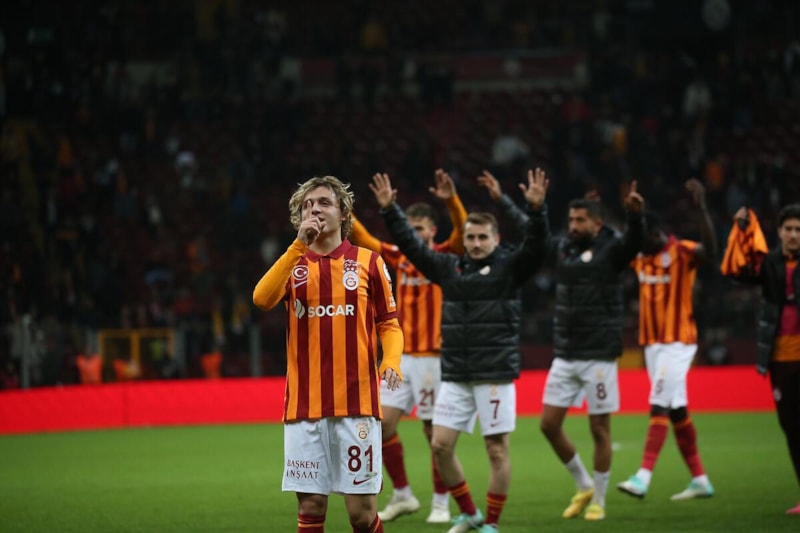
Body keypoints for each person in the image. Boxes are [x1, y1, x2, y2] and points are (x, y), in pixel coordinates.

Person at [372, 169, 550, 533]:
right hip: (455, 374)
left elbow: (537, 246)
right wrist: (391, 211)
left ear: (496, 238)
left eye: (483, 237)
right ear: (463, 240)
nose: (476, 243)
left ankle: (491, 524)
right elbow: (413, 247)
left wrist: (536, 210)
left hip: (494, 374)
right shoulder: (449, 267)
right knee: (440, 446)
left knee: (496, 450)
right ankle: (470, 512)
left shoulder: (510, 267)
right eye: (471, 237)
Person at [252, 175, 404, 533]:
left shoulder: (369, 262)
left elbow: (389, 323)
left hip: (357, 405)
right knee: (310, 506)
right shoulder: (293, 263)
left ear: (343, 212)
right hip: (304, 408)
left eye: (323, 203)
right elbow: (261, 299)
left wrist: (391, 361)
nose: (315, 210)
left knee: (361, 515)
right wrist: (298, 246)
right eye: (307, 205)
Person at [350, 169, 466, 524]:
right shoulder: (400, 258)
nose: (414, 234)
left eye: (420, 229)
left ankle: (441, 502)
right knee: (382, 425)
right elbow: (364, 238)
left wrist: (452, 201)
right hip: (401, 358)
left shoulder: (446, 255)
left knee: (433, 433)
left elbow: (462, 232)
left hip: (433, 359)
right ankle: (403, 493)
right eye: (410, 228)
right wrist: (343, 210)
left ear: (432, 231)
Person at [539, 184, 646, 521]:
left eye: (580, 220)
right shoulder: (564, 249)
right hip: (566, 353)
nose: (573, 225)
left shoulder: (612, 250)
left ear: (597, 225)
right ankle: (583, 484)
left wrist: (635, 216)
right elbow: (538, 239)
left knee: (599, 429)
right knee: (548, 425)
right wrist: (534, 208)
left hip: (598, 356)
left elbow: (634, 243)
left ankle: (598, 499)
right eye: (571, 219)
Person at [617, 179, 717, 501]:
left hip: (678, 342)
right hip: (652, 345)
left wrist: (701, 208)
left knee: (658, 402)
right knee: (676, 410)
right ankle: (700, 479)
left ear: (657, 233)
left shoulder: (682, 251)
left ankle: (643, 477)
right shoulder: (640, 256)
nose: (638, 244)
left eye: (642, 237)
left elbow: (710, 251)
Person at [720, 203, 800, 516]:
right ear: (778, 232)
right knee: (791, 428)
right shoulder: (769, 264)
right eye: (788, 229)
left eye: (798, 230)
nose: (793, 235)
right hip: (779, 357)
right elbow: (737, 271)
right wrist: (740, 232)